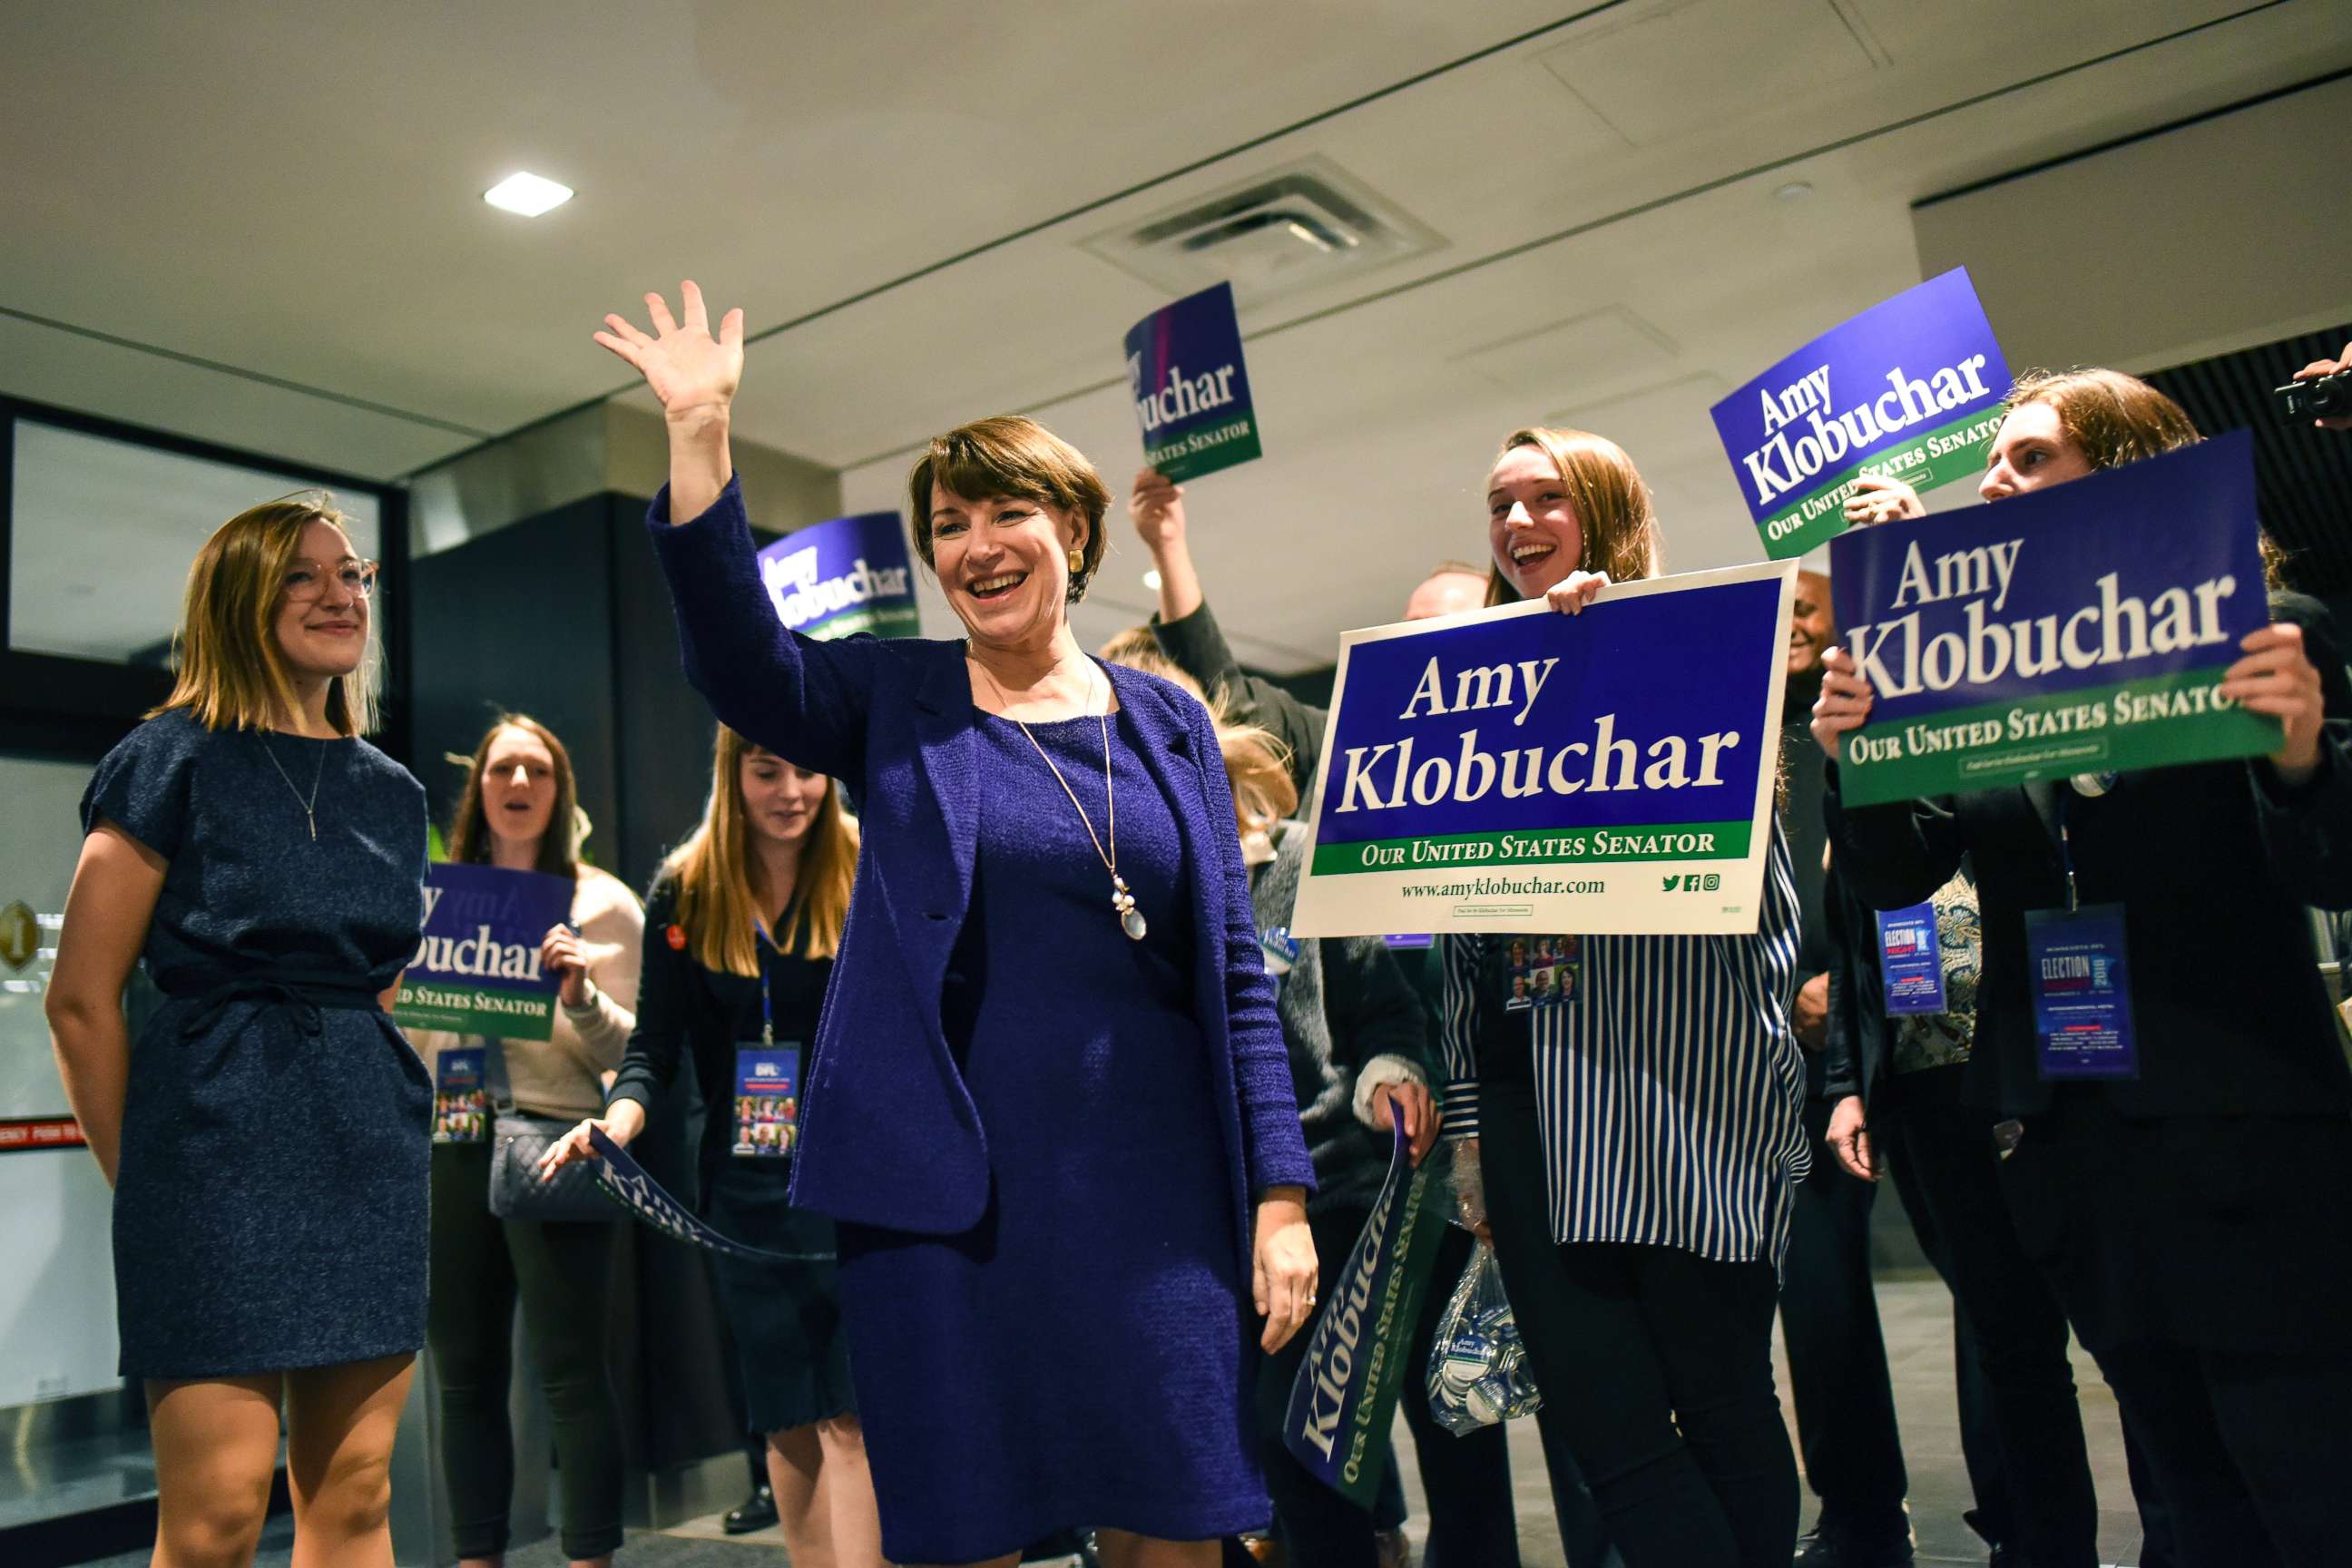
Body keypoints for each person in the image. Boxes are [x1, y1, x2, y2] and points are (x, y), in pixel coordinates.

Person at [594, 282, 1318, 1568]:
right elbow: (739, 658)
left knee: (1176, 1524)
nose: (976, 544)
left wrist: (1278, 1198)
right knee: (966, 1529)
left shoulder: (1169, 728)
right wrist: (701, 436)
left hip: (1157, 1200)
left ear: (1077, 532)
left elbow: (1237, 981)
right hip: (946, 1210)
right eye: (950, 524)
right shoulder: (900, 698)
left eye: (1007, 513)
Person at [1813, 368, 2352, 1566]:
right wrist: (1860, 759)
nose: (1994, 480)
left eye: (2031, 457)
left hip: (2244, 1135)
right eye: (1995, 461)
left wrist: (2305, 755)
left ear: (2124, 471)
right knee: (2185, 1498)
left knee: (2307, 1486)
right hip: (2070, 1145)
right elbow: (1904, 884)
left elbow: (2333, 867)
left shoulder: (2269, 628)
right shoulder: (1967, 686)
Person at [1127, 466, 1603, 1568]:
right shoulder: (1357, 782)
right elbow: (1223, 687)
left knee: (1509, 1425)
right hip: (1344, 1176)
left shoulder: (1581, 749)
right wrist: (1171, 549)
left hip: (1530, 1126)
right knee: (1314, 1453)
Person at [1444, 426, 1809, 1568]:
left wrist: (1631, 653)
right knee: (1609, 1435)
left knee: (1724, 1403)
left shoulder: (1695, 651)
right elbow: (1457, 943)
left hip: (1685, 1088)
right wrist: (1467, 1130)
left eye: (1548, 497)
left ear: (1605, 509)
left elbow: (1770, 911)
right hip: (1530, 1107)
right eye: (1501, 503)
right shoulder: (1466, 690)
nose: (1518, 523)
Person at [44, 496, 428, 1566]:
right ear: (238, 602)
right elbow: (79, 998)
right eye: (301, 576)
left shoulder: (393, 792)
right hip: (211, 1159)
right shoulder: (169, 756)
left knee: (355, 1495)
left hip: (367, 1156)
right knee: (215, 1518)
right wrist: (150, 1179)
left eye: (351, 574)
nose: (338, 594)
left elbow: (381, 988)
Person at [1104, 638, 1439, 1568]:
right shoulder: (1117, 884)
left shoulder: (1301, 860)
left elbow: (1385, 1015)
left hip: (1323, 1202)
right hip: (1184, 1220)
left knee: (1307, 1467)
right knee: (1212, 1473)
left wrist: (1387, 1081)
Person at [542, 726, 884, 1568]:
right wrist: (617, 1123)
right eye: (766, 772)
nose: (790, 792)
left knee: (850, 1415)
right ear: (733, 775)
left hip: (857, 1180)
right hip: (743, 1195)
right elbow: (654, 1049)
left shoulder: (865, 868)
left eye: (805, 770)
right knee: (784, 1417)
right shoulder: (686, 890)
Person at [414, 715, 642, 1568]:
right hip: (451, 1139)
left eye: (536, 770)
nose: (518, 784)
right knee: (464, 1379)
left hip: (557, 1143)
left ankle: (589, 1559)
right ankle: (478, 1559)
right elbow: (407, 1042)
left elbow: (632, 1054)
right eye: (502, 768)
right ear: (478, 785)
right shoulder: (432, 900)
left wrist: (579, 992)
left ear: (560, 788)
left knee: (573, 1379)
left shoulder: (603, 903)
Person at [1774, 566, 1918, 1568]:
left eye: (1808, 613)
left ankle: (1873, 1511)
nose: (1788, 630)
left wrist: (1844, 989)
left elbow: (1902, 876)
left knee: (1830, 1303)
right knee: (1806, 1303)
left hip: (1868, 1055)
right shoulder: (1735, 748)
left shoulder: (1869, 733)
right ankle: (1852, 1509)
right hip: (1750, 1061)